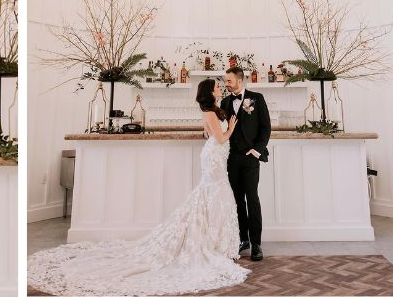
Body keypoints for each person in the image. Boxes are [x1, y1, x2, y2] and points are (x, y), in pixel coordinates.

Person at [27, 78, 251, 296]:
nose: (220, 88)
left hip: (216, 156)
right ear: (210, 93)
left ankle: (216, 242)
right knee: (216, 193)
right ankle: (214, 243)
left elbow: (210, 135)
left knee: (215, 195)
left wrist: (220, 132)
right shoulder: (211, 113)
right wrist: (231, 127)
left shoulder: (214, 111)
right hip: (215, 156)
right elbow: (220, 139)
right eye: (216, 87)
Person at [221, 66, 271, 261]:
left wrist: (257, 151)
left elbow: (266, 127)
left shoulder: (257, 98)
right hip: (231, 158)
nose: (226, 84)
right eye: (225, 81)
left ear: (240, 81)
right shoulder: (225, 102)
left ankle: (257, 244)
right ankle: (243, 239)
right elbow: (219, 127)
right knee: (237, 200)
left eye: (229, 81)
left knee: (252, 198)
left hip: (251, 157)